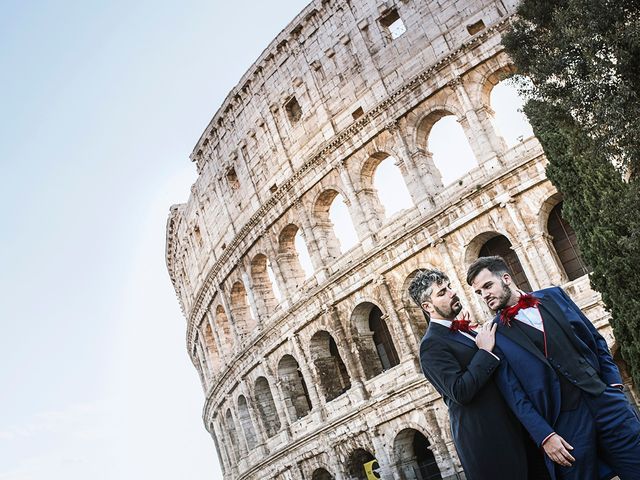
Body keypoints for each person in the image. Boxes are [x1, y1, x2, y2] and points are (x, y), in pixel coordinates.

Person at [467, 255, 640, 480]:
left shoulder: (553, 296)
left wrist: (614, 384)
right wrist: (545, 436)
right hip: (565, 429)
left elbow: (595, 340)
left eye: (488, 286)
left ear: (507, 278)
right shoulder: (494, 335)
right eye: (479, 292)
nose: (485, 295)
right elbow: (515, 395)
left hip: (608, 405)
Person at [409, 268, 546, 480]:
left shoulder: (461, 329)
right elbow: (460, 391)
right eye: (442, 292)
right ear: (428, 307)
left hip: (517, 432)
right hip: (492, 446)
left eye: (449, 287)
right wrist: (484, 352)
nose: (452, 293)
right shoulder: (431, 345)